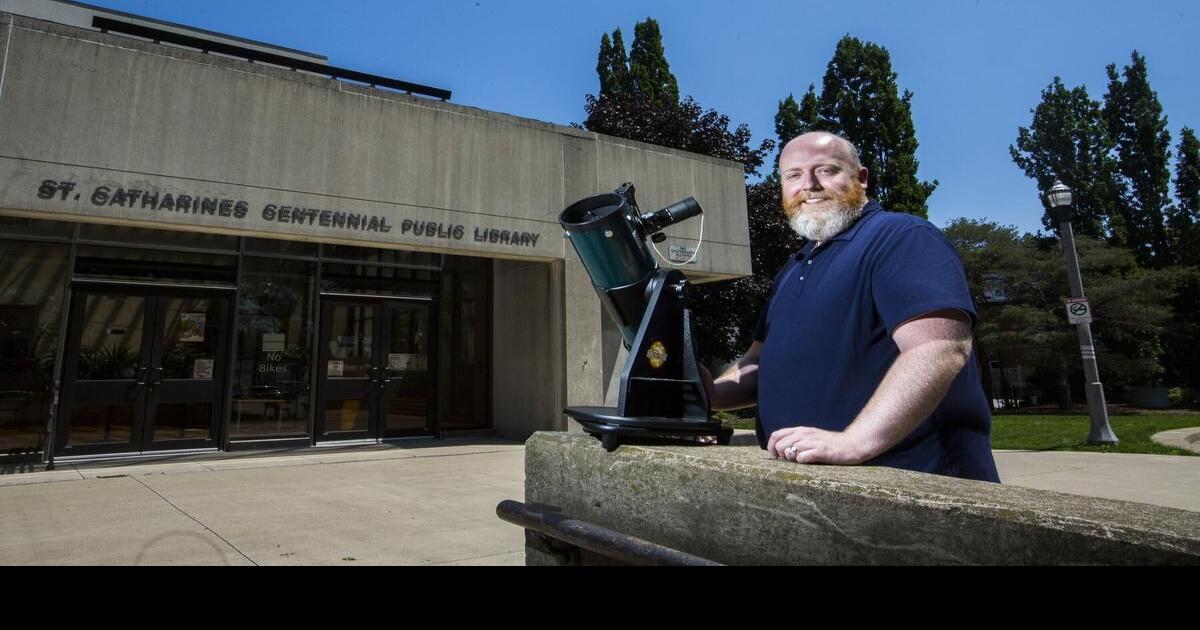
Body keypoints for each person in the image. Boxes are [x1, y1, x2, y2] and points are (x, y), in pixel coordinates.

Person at [706, 131, 999, 482]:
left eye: (826, 170)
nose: (809, 185)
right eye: (793, 175)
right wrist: (704, 393)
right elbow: (756, 365)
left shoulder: (901, 237)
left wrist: (854, 442)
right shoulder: (793, 268)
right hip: (817, 489)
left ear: (861, 178)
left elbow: (938, 349)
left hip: (916, 485)